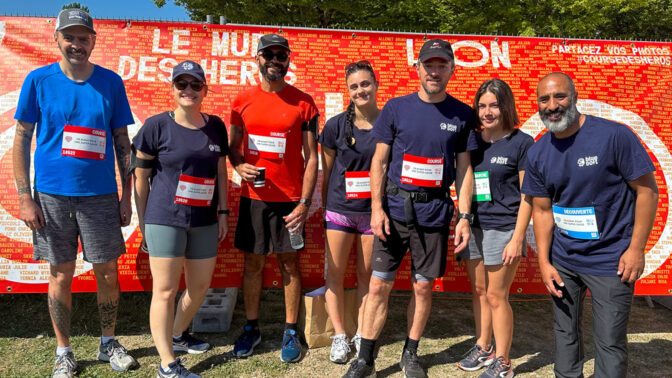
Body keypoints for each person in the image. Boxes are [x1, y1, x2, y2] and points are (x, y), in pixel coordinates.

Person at [12, 7, 138, 378]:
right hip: (51, 196)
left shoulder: (111, 82)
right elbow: (21, 141)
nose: (77, 44)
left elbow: (122, 143)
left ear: (94, 41)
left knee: (107, 273)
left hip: (100, 196)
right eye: (70, 37)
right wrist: (24, 196)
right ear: (57, 39)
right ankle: (63, 351)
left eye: (84, 38)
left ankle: (107, 343)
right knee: (60, 275)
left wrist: (126, 195)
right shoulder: (38, 80)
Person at [344, 38, 475, 378]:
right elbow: (380, 160)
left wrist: (464, 216)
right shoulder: (396, 108)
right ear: (417, 68)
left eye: (441, 65)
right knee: (378, 285)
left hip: (434, 214)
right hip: (395, 212)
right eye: (428, 64)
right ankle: (365, 359)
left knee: (422, 285)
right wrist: (376, 209)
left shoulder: (462, 115)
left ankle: (411, 354)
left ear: (452, 69)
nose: (435, 71)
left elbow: (464, 169)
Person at [522, 72, 658, 378]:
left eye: (560, 96)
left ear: (575, 96)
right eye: (544, 99)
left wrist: (636, 249)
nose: (552, 105)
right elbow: (541, 211)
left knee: (609, 341)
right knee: (564, 335)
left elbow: (647, 191)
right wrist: (545, 262)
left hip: (611, 260)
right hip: (564, 261)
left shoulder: (614, 136)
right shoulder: (538, 152)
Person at [132, 61, 229, 378]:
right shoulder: (156, 126)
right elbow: (140, 179)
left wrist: (224, 212)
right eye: (181, 84)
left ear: (205, 89)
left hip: (204, 219)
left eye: (195, 85)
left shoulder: (215, 126)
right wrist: (145, 223)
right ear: (172, 89)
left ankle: (177, 333)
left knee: (200, 286)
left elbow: (221, 172)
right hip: (165, 219)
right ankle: (167, 364)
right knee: (165, 290)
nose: (188, 90)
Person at [229, 33, 319, 363]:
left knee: (289, 264)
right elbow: (233, 148)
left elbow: (313, 158)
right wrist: (238, 165)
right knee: (253, 263)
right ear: (257, 58)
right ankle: (251, 327)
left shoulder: (304, 103)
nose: (274, 61)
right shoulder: (241, 101)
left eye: (281, 56)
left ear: (288, 60)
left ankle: (292, 330)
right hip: (254, 198)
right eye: (269, 55)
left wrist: (304, 203)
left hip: (291, 201)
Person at [456, 79, 534, 378]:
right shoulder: (472, 141)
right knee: (478, 291)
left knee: (496, 295)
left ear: (506, 106)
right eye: (482, 105)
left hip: (504, 228)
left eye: (494, 105)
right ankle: (484, 346)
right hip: (474, 224)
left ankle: (503, 361)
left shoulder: (522, 142)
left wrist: (518, 237)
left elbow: (529, 195)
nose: (487, 112)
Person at [319, 60, 380, 364]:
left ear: (376, 84)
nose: (360, 90)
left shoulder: (388, 124)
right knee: (335, 274)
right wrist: (324, 207)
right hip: (340, 211)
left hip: (373, 213)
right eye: (354, 86)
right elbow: (327, 171)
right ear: (348, 90)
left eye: (365, 84)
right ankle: (340, 336)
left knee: (367, 276)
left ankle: (362, 332)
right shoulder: (334, 126)